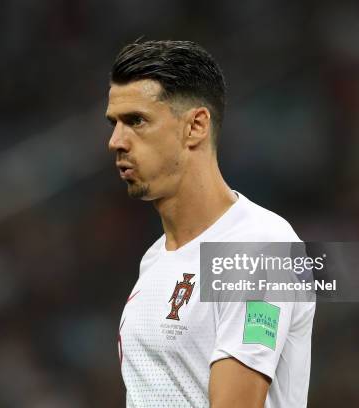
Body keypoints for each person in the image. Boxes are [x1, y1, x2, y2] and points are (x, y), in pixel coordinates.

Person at [106, 40, 315, 408]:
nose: (116, 141)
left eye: (136, 121)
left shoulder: (259, 248)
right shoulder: (155, 260)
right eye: (114, 123)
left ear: (196, 126)